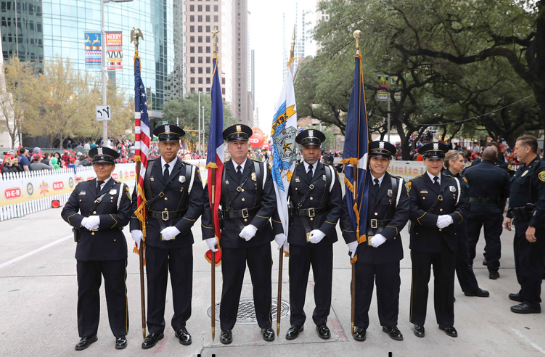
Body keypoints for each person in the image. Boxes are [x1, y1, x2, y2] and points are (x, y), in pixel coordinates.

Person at [130, 124, 204, 349]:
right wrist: (135, 227)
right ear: (158, 145)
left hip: (180, 236)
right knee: (155, 283)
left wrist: (180, 227)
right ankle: (155, 328)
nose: (169, 147)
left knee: (182, 283)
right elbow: (137, 200)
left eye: (173, 143)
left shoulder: (190, 171)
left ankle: (180, 325)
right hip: (153, 234)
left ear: (179, 145)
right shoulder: (147, 169)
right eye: (165, 143)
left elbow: (197, 204)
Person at [201, 124, 276, 344]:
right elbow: (209, 205)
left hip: (259, 236)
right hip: (231, 236)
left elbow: (270, 201)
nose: (239, 146)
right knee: (231, 284)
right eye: (235, 143)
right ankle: (226, 326)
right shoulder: (218, 172)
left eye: (243, 142)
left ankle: (265, 324)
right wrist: (208, 234)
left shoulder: (261, 169)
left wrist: (255, 225)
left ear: (248, 145)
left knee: (262, 283)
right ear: (228, 147)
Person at [271, 129, 344, 341]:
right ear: (301, 150)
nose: (311, 152)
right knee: (297, 280)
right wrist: (279, 232)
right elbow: (280, 204)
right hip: (297, 234)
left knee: (323, 280)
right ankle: (296, 321)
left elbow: (336, 206)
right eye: (307, 148)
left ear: (320, 150)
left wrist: (324, 230)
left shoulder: (329, 173)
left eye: (314, 148)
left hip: (323, 235)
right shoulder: (289, 173)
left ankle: (321, 321)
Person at [60, 147, 132, 351]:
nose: (101, 167)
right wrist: (82, 221)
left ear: (112, 166)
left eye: (105, 164)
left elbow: (125, 217)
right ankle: (87, 334)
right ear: (93, 166)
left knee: (116, 292)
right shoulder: (82, 187)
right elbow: (67, 211)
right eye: (97, 164)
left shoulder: (120, 189)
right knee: (87, 292)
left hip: (113, 250)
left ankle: (120, 333)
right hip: (87, 249)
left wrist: (99, 220)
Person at [343, 141, 410, 342]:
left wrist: (386, 234)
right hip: (362, 243)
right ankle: (361, 325)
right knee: (361, 288)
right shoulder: (356, 185)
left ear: (389, 162)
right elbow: (346, 213)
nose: (379, 163)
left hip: (388, 246)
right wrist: (350, 240)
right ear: (369, 160)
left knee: (389, 288)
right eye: (375, 158)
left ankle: (390, 324)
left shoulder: (398, 185)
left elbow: (403, 213)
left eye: (383, 159)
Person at [407, 142, 468, 338]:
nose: (435, 163)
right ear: (424, 161)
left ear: (444, 161)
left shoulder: (455, 183)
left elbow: (465, 207)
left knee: (445, 283)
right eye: (431, 160)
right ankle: (418, 321)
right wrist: (435, 220)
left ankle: (446, 321)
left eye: (438, 160)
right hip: (423, 241)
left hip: (447, 241)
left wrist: (451, 218)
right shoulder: (415, 184)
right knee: (420, 283)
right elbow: (411, 209)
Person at [504, 135, 545, 314]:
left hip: (533, 223)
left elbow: (543, 201)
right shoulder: (525, 168)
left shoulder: (541, 169)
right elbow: (516, 194)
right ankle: (525, 291)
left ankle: (532, 302)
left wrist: (533, 225)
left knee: (531, 262)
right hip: (521, 221)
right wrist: (508, 215)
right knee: (521, 260)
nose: (515, 151)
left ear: (527, 149)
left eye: (517, 148)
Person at [443, 150, 490, 297]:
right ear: (451, 162)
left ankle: (470, 287)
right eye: (461, 161)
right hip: (447, 224)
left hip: (461, 224)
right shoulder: (443, 179)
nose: (464, 164)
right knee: (447, 261)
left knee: (464, 257)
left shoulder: (462, 179)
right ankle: (446, 292)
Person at [464, 148, 510, 279]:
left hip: (472, 208)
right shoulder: (501, 173)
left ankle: (467, 266)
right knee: (493, 240)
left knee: (470, 239)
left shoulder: (469, 171)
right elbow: (506, 193)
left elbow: (464, 190)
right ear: (496, 157)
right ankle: (493, 270)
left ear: (481, 156)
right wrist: (499, 208)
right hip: (492, 208)